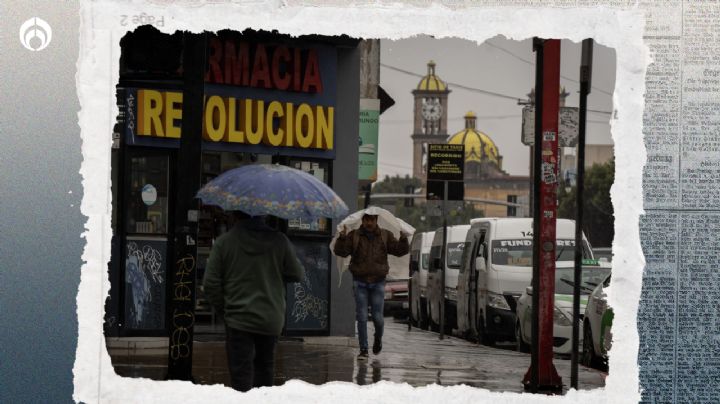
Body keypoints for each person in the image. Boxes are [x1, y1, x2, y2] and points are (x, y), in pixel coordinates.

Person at [203, 211, 304, 392]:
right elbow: (297, 274)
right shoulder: (280, 241)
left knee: (241, 377)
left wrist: (224, 310)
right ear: (264, 214)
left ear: (235, 215)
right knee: (265, 373)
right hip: (270, 319)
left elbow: (210, 284)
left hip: (238, 320)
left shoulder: (224, 242)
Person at [333, 213, 409, 360]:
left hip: (378, 282)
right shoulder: (354, 235)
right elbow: (340, 251)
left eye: (372, 220)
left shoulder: (385, 235)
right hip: (359, 281)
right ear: (362, 220)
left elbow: (400, 250)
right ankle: (363, 350)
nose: (369, 223)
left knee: (378, 318)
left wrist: (404, 238)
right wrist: (342, 237)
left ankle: (378, 338)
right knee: (361, 316)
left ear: (376, 221)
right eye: (366, 220)